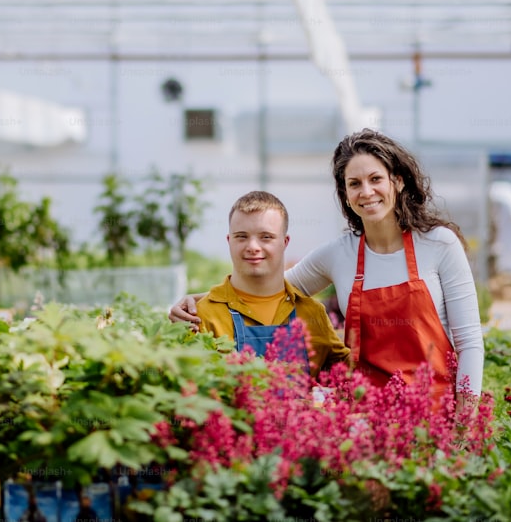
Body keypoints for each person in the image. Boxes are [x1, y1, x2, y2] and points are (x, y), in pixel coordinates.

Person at [171, 129, 484, 405]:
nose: (366, 191)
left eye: (375, 179)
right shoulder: (339, 255)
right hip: (365, 416)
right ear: (346, 195)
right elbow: (269, 288)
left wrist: (464, 426)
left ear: (398, 181)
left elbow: (470, 343)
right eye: (354, 183)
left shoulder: (438, 244)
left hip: (435, 413)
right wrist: (199, 301)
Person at [194, 190, 350, 378]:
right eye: (241, 236)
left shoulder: (311, 313)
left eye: (266, 237)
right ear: (229, 241)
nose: (252, 246)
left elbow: (348, 374)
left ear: (284, 242)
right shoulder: (204, 314)